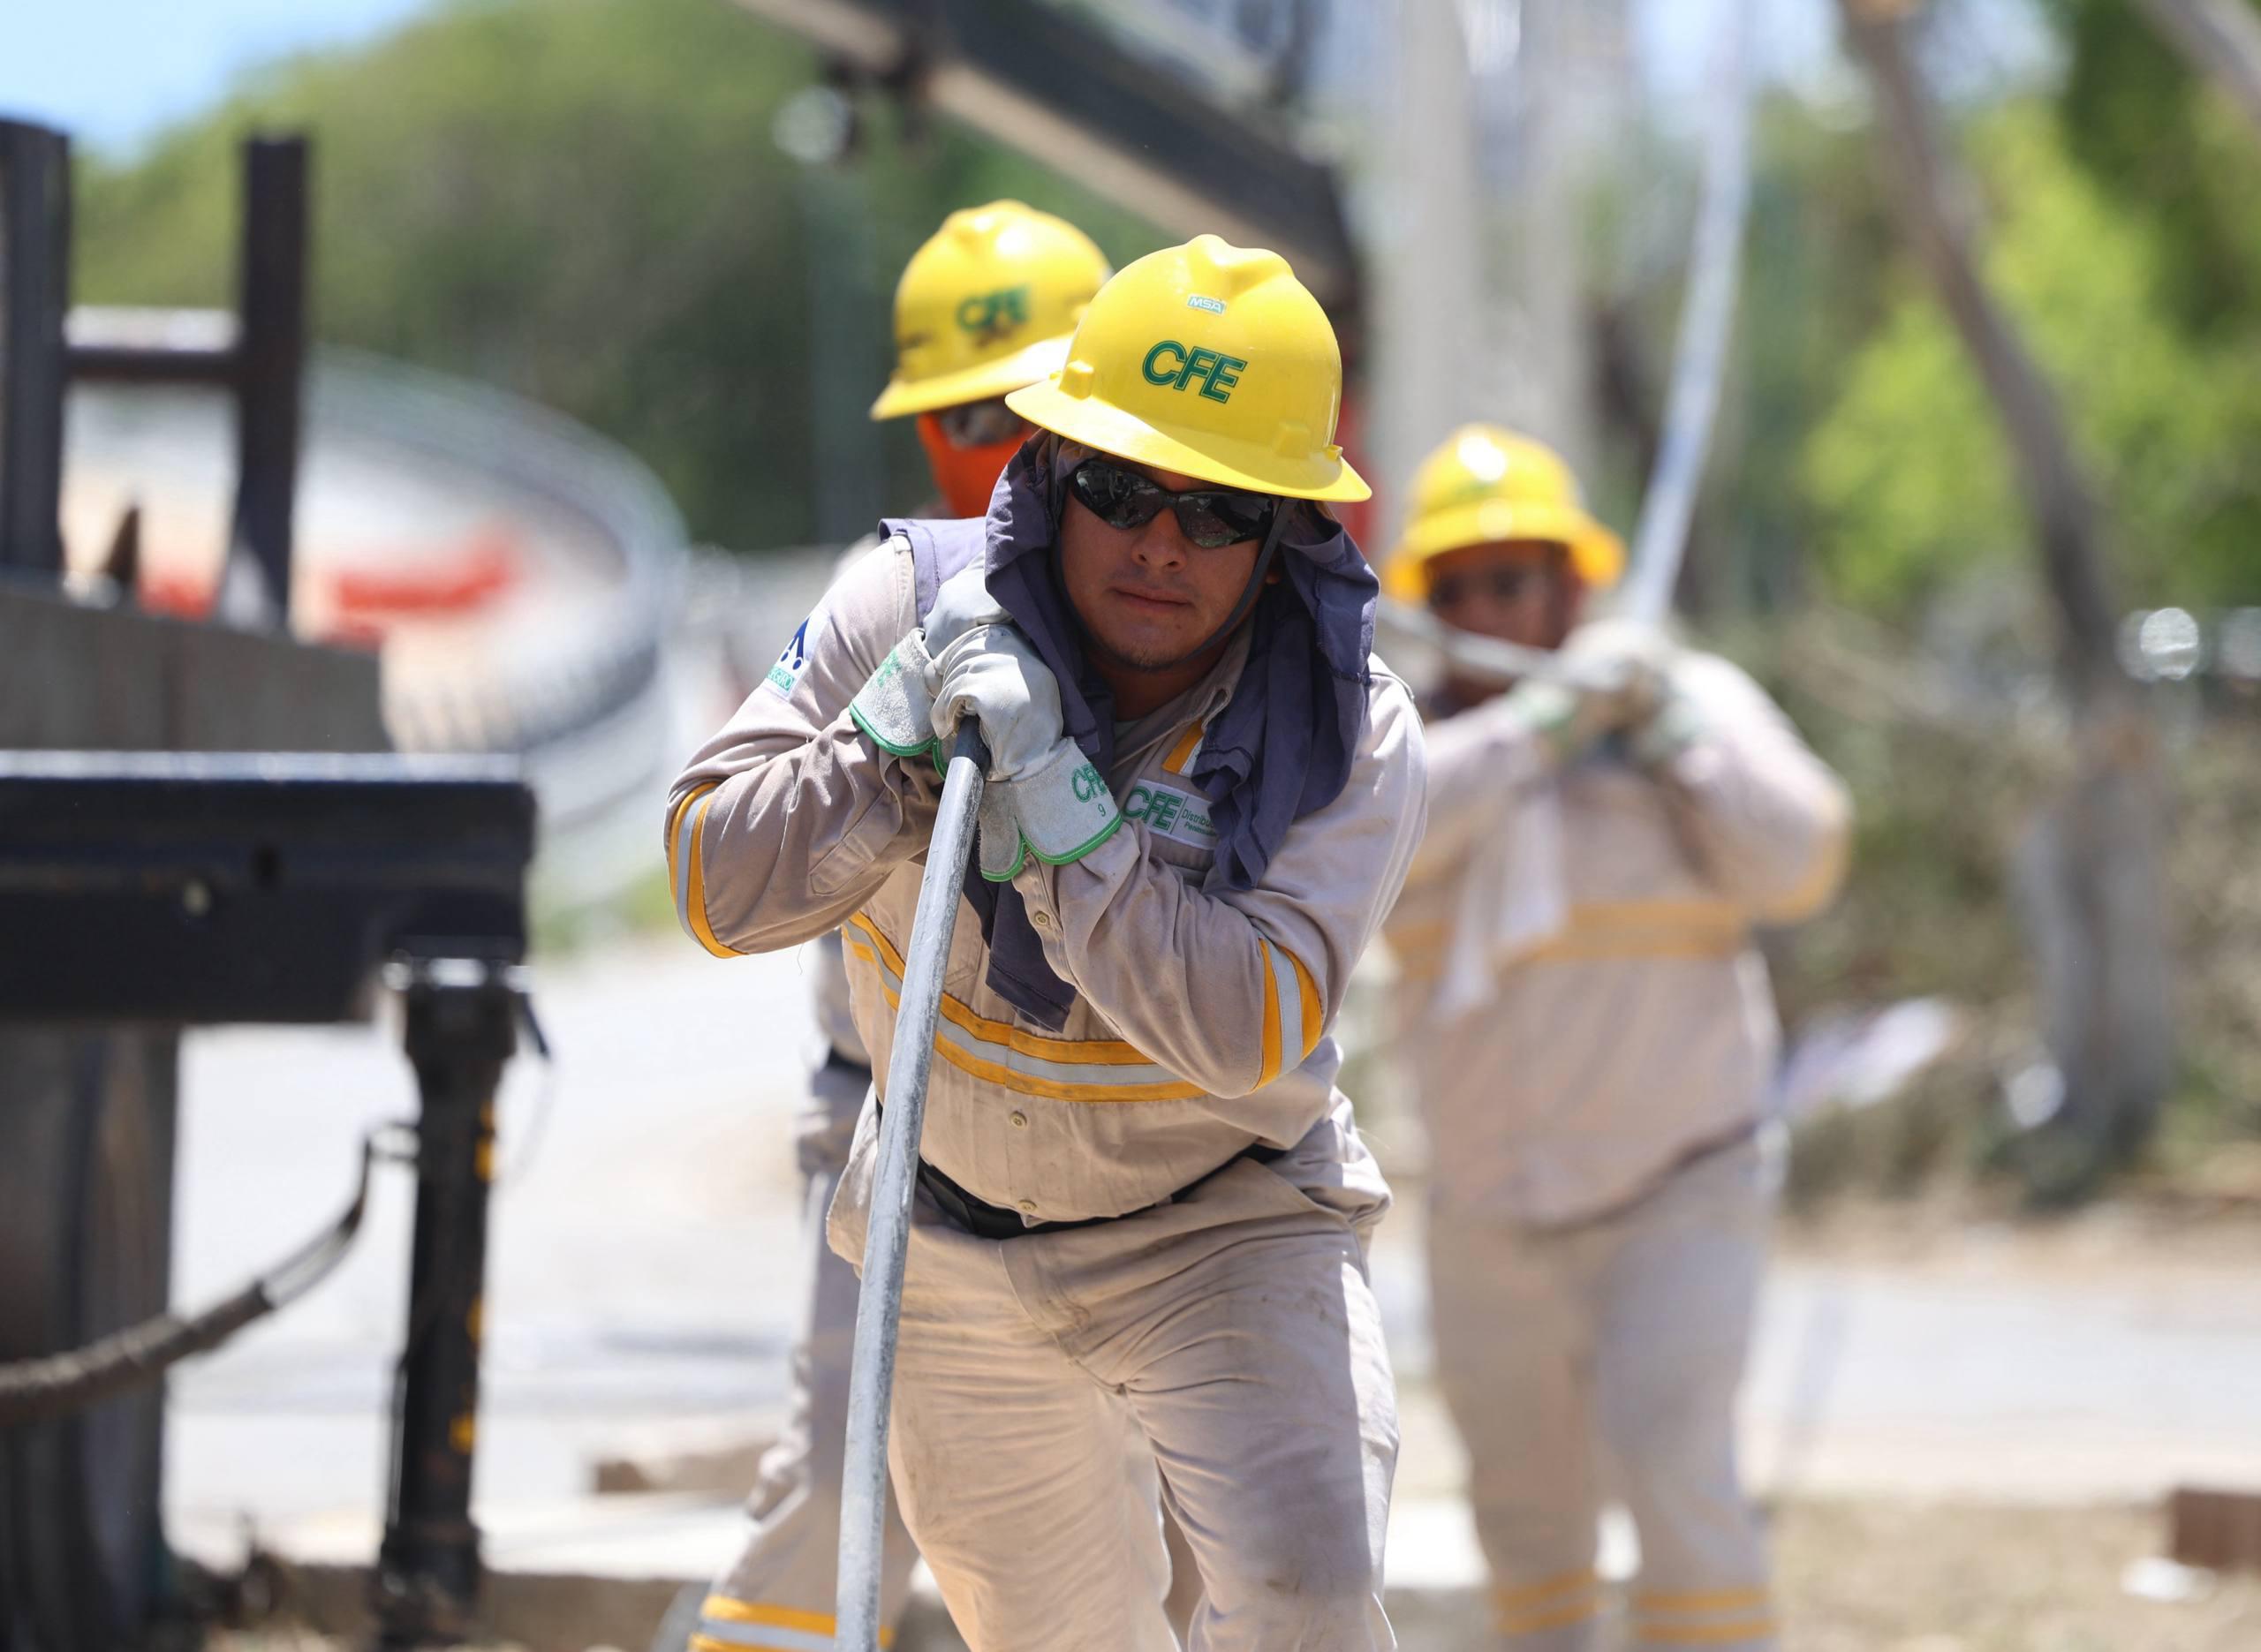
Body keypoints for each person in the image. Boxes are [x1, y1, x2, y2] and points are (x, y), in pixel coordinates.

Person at [669, 233, 1425, 1649]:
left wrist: (1068, 825)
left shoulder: (1350, 731)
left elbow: (1239, 1028)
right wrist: (883, 747)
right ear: (1050, 466)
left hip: (1226, 1236)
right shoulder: (904, 602)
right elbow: (719, 888)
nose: (1158, 542)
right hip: (950, 1243)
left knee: (1309, 1608)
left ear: (1286, 537)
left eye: (1219, 512)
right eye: (1120, 487)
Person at [680, 200, 1110, 1652]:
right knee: (839, 1499)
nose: (1007, 446)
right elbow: (729, 853)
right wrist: (885, 729)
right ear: (934, 440)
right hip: (898, 1122)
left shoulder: (1172, 601)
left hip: (1125, 1149)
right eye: (980, 415)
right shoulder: (895, 599)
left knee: (1139, 1523)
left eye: (1038, 409)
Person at [1380, 426, 1850, 1652]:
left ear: (1573, 585)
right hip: (1491, 1211)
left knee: (1674, 1470)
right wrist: (1539, 728)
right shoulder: (1395, 745)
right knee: (1524, 1522)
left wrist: (1669, 737)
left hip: (1679, 1187)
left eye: (1517, 578)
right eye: (1465, 586)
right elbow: (1376, 843)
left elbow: (1799, 860)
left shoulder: (1682, 705)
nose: (1492, 605)